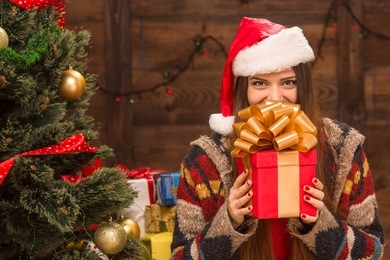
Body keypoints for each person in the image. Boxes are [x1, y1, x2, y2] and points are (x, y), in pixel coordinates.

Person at [170, 17, 384, 259]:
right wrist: (229, 221)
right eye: (260, 83)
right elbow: (180, 256)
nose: (274, 98)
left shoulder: (342, 147)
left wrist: (320, 224)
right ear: (244, 89)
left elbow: (373, 253)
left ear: (302, 86)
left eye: (288, 82)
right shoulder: (206, 159)